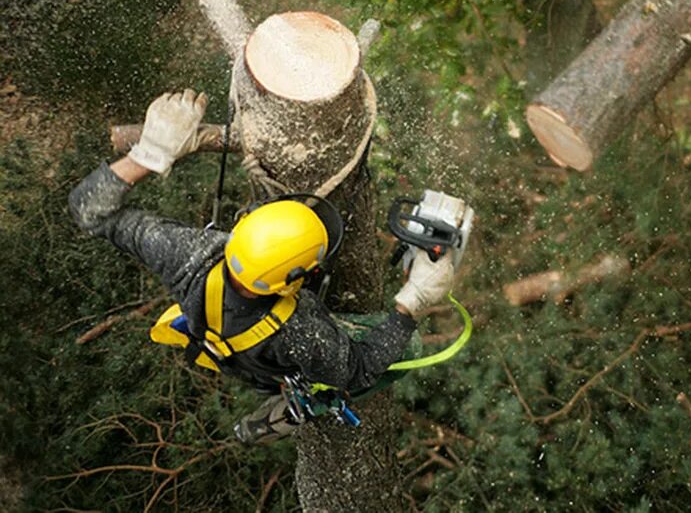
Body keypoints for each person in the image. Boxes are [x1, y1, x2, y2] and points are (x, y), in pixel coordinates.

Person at [69, 89, 455, 444]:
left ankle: (288, 396)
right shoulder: (300, 330)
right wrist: (412, 302)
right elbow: (360, 369)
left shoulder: (190, 254)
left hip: (229, 346)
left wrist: (147, 156)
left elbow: (89, 210)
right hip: (269, 364)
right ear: (290, 284)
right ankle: (304, 403)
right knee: (405, 349)